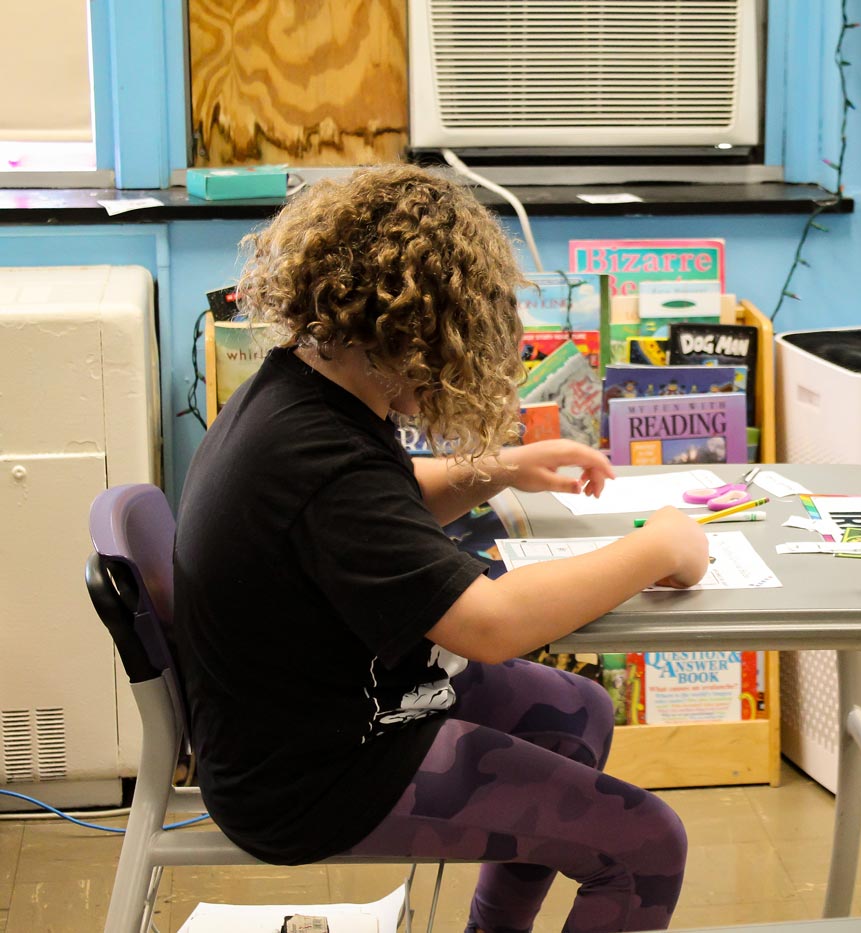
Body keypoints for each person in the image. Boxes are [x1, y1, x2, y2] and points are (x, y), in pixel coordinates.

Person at [173, 164, 709, 933]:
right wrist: (657, 546)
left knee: (580, 713)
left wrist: (497, 469)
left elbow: (373, 507)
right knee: (647, 845)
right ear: (407, 335)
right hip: (312, 778)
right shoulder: (320, 458)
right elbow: (487, 625)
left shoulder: (302, 388)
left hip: (321, 714)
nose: (450, 372)